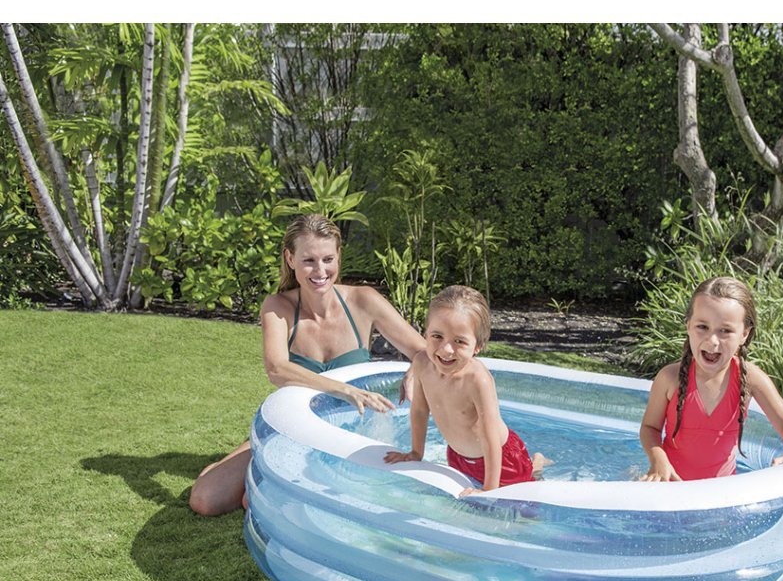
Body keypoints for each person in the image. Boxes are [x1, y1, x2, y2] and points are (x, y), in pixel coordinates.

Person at [189, 213, 425, 515]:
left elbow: (423, 350)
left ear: (338, 256)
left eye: (328, 259)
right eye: (309, 260)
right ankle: (230, 461)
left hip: (353, 426)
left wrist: (414, 371)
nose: (321, 271)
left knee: (264, 500)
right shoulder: (279, 307)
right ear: (290, 259)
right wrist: (343, 389)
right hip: (296, 425)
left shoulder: (364, 301)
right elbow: (277, 368)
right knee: (205, 500)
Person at [639, 275, 783, 482]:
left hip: (723, 490)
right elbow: (650, 428)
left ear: (744, 334)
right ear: (688, 326)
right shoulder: (669, 378)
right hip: (671, 485)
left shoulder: (750, 378)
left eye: (725, 331)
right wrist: (658, 460)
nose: (712, 340)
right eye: (702, 327)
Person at [383, 285, 547, 493]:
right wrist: (416, 453)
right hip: (458, 456)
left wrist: (488, 490)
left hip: (501, 460)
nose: (446, 349)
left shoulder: (477, 379)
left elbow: (489, 436)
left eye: (459, 341)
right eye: (437, 336)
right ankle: (535, 463)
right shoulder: (422, 364)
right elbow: (420, 410)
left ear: (477, 346)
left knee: (522, 500)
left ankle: (537, 464)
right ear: (425, 333)